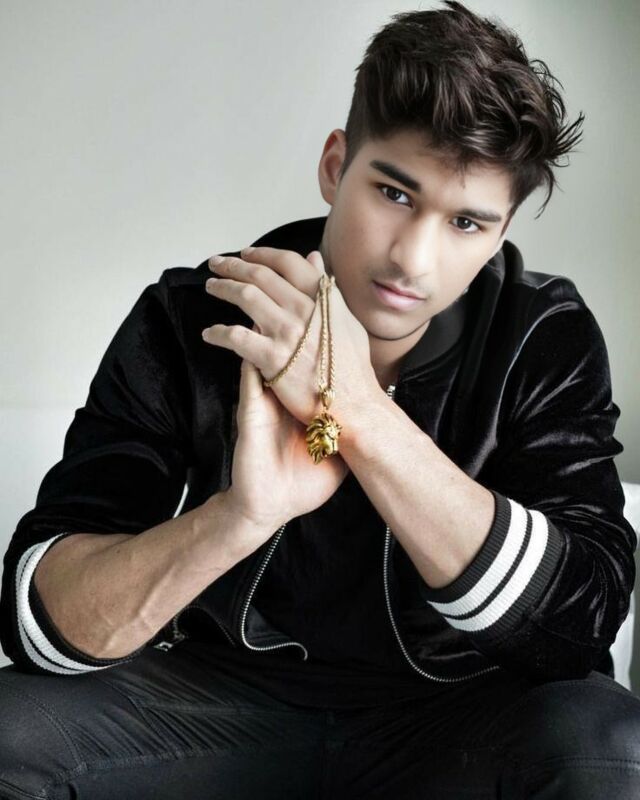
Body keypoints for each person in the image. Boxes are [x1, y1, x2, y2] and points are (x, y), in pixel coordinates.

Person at [1, 2, 639, 797]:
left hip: (457, 717)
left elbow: (578, 629)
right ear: (336, 166)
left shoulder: (539, 334)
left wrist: (360, 414)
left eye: (467, 223)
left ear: (502, 231)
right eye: (395, 194)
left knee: (611, 749)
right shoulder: (191, 316)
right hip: (215, 705)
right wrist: (239, 518)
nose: (413, 260)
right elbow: (40, 623)